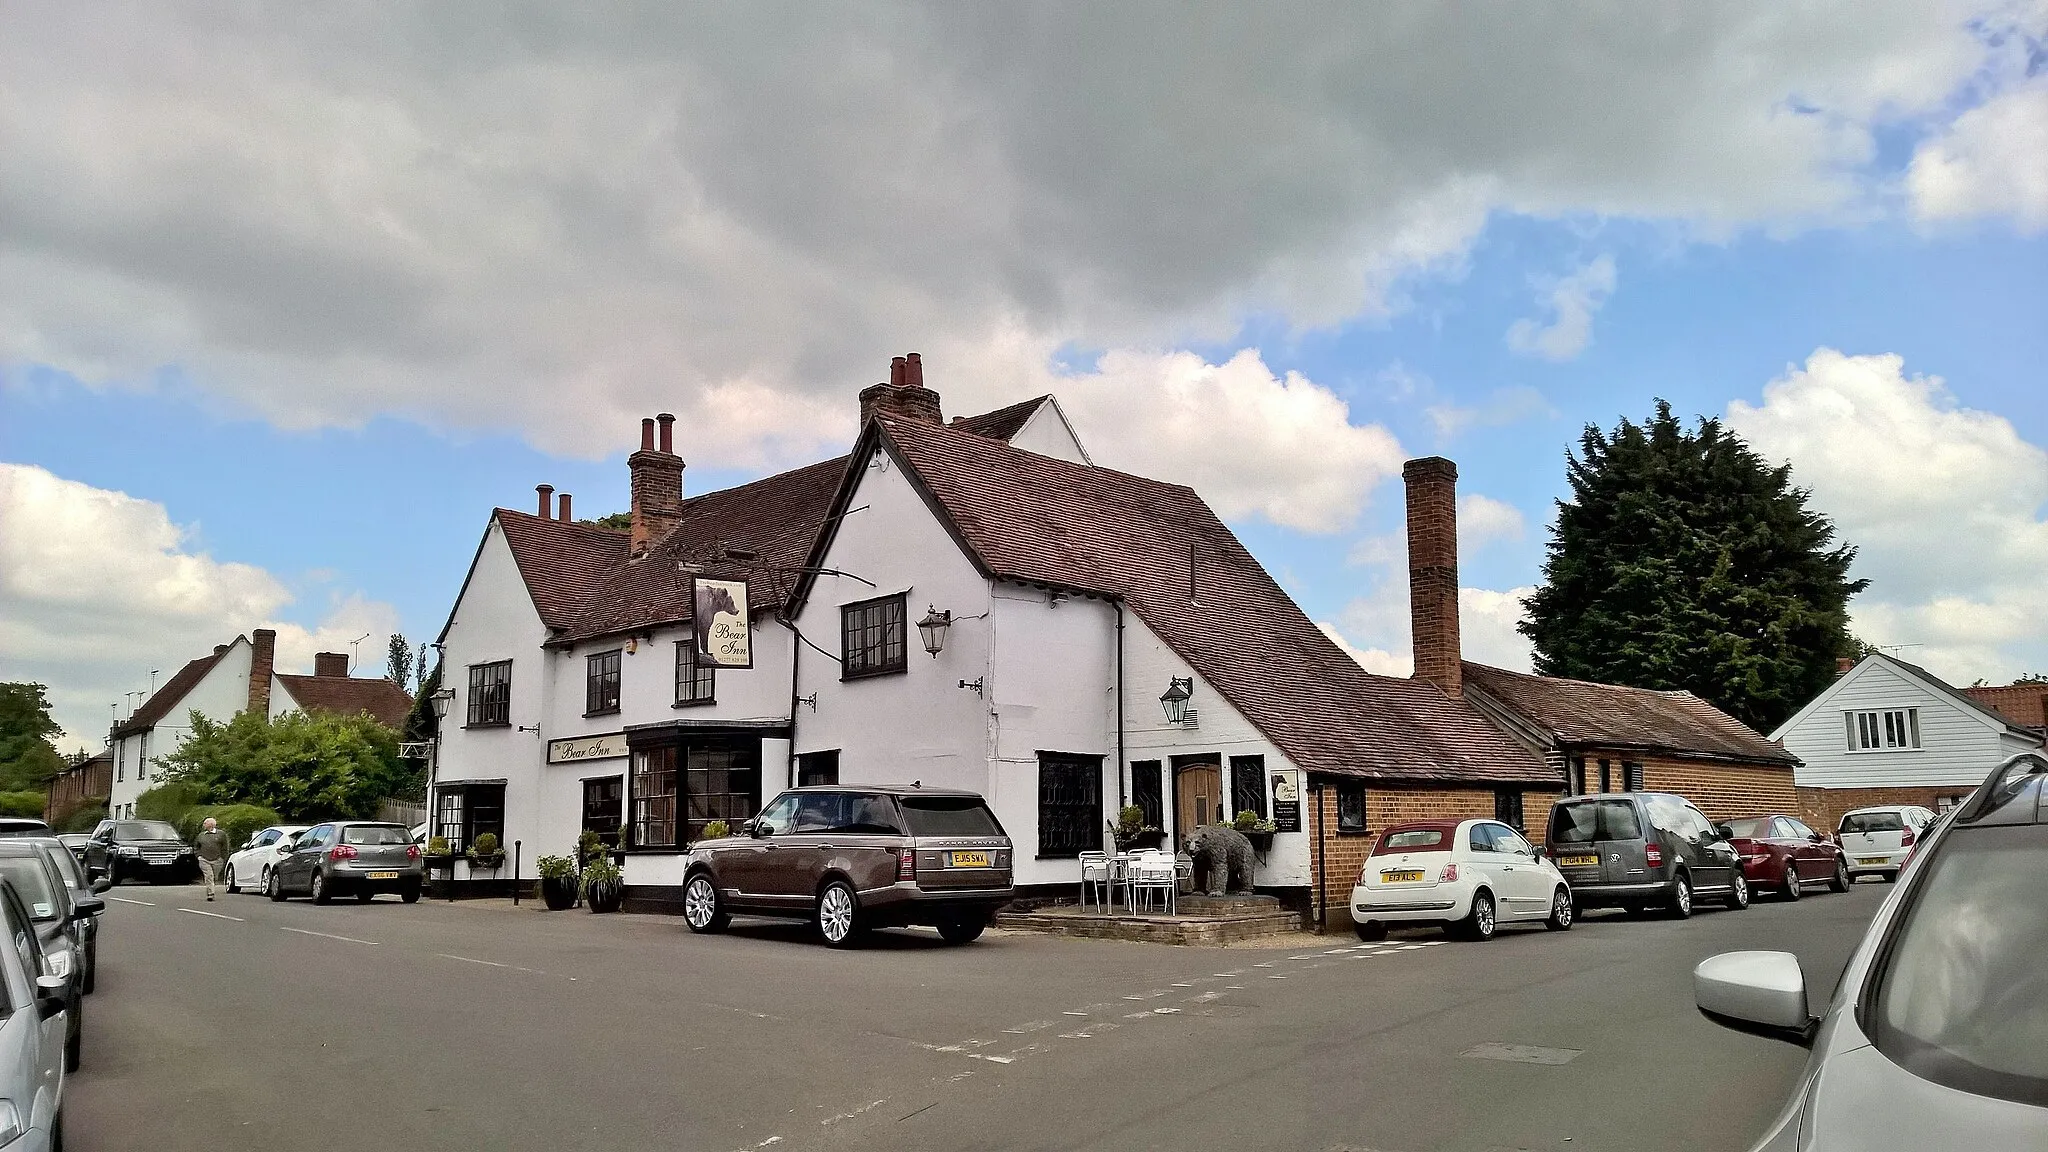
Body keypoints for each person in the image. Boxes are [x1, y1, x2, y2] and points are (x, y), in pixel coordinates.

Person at [193, 817, 230, 901]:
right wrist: (199, 856)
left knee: (214, 877)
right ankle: (210, 893)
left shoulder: (221, 834)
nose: (204, 825)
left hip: (217, 859)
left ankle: (211, 889)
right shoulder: (201, 835)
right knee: (209, 876)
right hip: (204, 859)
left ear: (211, 825)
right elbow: (196, 846)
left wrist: (222, 858)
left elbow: (225, 847)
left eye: (205, 823)